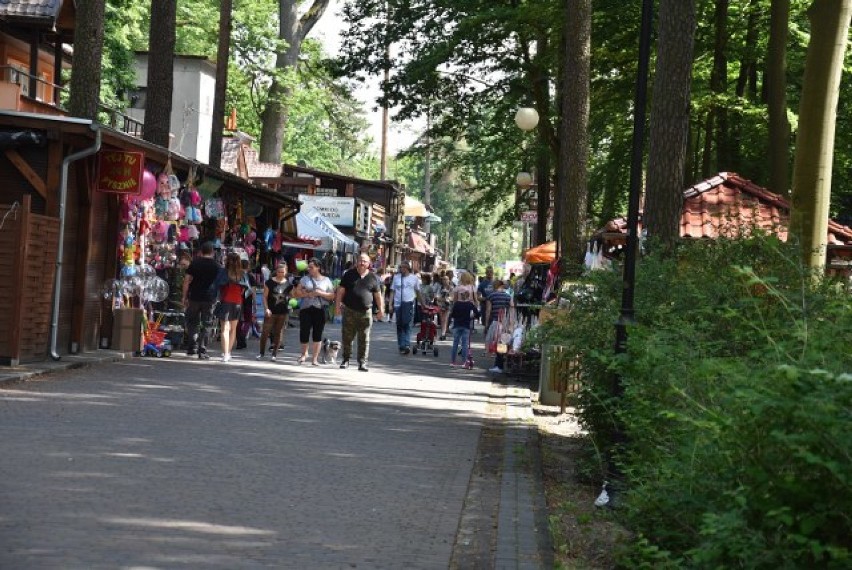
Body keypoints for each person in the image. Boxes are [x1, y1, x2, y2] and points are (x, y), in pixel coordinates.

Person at [334, 253, 384, 371]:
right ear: (357, 262)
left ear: (369, 264)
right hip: (349, 310)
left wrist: (381, 310)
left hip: (366, 312)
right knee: (347, 337)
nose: (362, 263)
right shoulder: (348, 274)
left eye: (365, 261)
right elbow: (340, 292)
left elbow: (378, 295)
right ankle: (345, 360)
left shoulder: (373, 277)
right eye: (360, 260)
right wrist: (337, 307)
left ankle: (362, 362)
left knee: (364, 338)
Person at [181, 241, 220, 360]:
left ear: (201, 252)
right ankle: (202, 350)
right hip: (209, 298)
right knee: (207, 323)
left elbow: (187, 280)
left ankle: (192, 345)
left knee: (192, 321)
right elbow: (219, 283)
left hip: (194, 297)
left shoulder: (194, 263)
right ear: (212, 252)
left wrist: (184, 296)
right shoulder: (217, 265)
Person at [294, 257, 335, 365]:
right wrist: (306, 294)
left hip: (320, 309)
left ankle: (314, 359)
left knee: (317, 333)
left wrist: (320, 293)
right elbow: (296, 293)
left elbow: (332, 296)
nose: (309, 269)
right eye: (308, 267)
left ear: (318, 268)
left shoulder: (326, 280)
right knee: (304, 332)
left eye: (311, 267)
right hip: (306, 309)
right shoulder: (304, 279)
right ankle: (303, 355)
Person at [215, 252, 250, 362]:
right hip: (238, 302)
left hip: (225, 301)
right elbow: (246, 290)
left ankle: (225, 353)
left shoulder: (223, 272)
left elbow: (216, 286)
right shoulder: (242, 274)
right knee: (233, 329)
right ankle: (228, 353)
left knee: (224, 329)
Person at [257, 262, 293, 361]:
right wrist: (266, 308)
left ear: (285, 272)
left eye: (282, 272)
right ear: (276, 272)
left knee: (278, 332)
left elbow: (292, 295)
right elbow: (264, 297)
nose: (280, 274)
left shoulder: (288, 284)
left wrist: (293, 299)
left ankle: (274, 354)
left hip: (282, 312)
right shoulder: (269, 282)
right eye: (279, 272)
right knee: (265, 332)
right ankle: (261, 353)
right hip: (271, 311)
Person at [388, 260, 421, 354]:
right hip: (398, 304)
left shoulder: (414, 278)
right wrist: (390, 304)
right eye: (400, 267)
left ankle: (406, 345)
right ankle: (401, 345)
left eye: (402, 267)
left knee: (407, 324)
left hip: (409, 303)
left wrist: (422, 304)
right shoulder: (396, 277)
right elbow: (392, 291)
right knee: (400, 325)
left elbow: (418, 292)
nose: (400, 269)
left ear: (407, 268)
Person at [486, 280, 514, 373]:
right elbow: (512, 307)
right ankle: (498, 364)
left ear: (495, 286)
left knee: (495, 342)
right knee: (502, 343)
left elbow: (488, 311)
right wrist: (511, 323)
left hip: (495, 322)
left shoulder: (491, 296)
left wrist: (486, 324)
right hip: (505, 323)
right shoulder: (508, 296)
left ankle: (499, 366)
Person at [449, 290, 479, 367]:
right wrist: (472, 317)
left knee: (455, 343)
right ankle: (464, 362)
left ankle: (452, 362)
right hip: (466, 325)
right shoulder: (470, 304)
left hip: (457, 325)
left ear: (460, 296)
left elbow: (452, 315)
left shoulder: (457, 304)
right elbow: (478, 314)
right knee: (465, 344)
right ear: (468, 296)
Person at [234, 259, 257, 350]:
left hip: (237, 299)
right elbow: (253, 291)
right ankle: (243, 336)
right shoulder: (251, 276)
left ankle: (239, 339)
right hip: (247, 300)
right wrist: (254, 303)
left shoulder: (237, 275)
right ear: (248, 266)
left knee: (238, 320)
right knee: (247, 320)